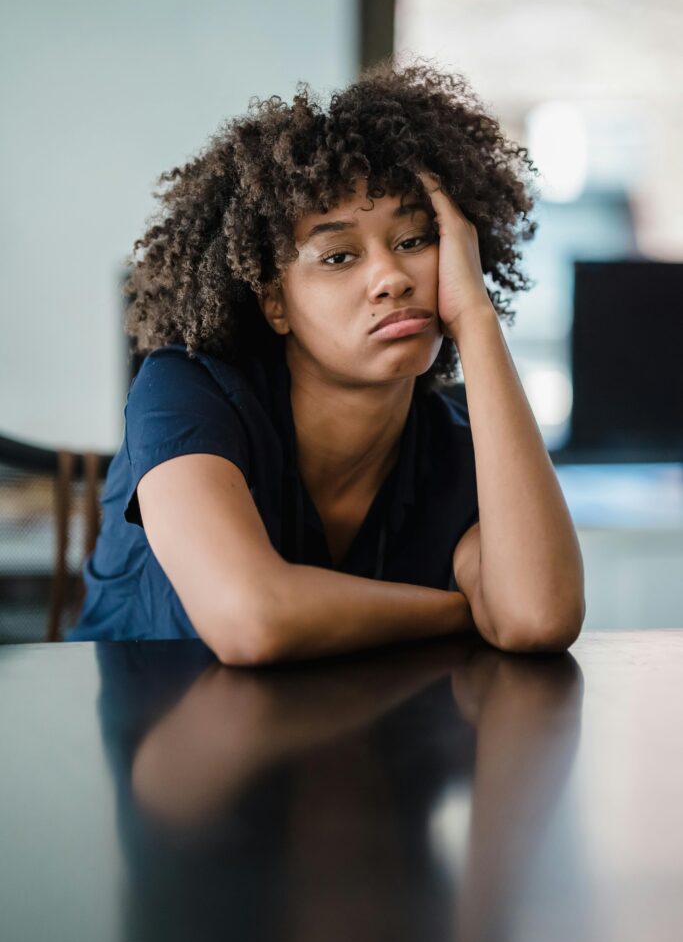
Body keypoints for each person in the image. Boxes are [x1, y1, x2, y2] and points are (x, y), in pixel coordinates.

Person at [65, 57, 585, 662]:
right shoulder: (184, 391)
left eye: (414, 241)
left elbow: (537, 617)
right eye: (338, 257)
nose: (391, 277)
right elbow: (252, 619)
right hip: (155, 740)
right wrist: (467, 610)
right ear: (275, 303)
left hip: (362, 745)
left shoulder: (457, 447)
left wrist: (476, 318)